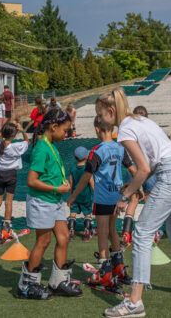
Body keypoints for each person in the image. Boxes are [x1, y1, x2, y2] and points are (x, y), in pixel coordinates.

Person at [96, 88, 171, 318]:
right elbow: (149, 165)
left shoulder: (125, 129)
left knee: (142, 233)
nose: (99, 120)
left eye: (100, 115)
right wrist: (133, 188)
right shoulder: (139, 120)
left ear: (111, 111)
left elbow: (145, 168)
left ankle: (134, 303)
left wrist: (125, 195)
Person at [17, 108, 82, 300]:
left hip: (55, 201)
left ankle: (58, 281)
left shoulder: (51, 145)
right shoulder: (41, 148)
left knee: (63, 238)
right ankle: (27, 285)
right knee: (43, 240)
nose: (67, 134)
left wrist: (62, 185)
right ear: (53, 127)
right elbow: (31, 181)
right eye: (65, 130)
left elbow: (51, 174)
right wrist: (56, 189)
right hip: (42, 201)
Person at [67, 116, 131, 289]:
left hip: (103, 198)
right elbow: (133, 170)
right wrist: (130, 189)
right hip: (116, 197)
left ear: (97, 129)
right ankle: (119, 269)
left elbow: (87, 176)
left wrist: (73, 196)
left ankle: (104, 271)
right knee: (113, 231)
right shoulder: (120, 147)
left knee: (102, 233)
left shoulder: (96, 150)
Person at [120, 106, 159, 250]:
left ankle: (126, 233)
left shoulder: (129, 131)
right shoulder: (150, 132)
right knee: (149, 202)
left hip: (131, 169)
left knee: (133, 200)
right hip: (147, 170)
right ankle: (150, 234)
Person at [66, 146, 95, 242]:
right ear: (87, 157)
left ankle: (70, 233)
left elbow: (71, 182)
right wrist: (96, 192)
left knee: (72, 213)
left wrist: (71, 195)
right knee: (87, 214)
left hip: (75, 196)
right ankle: (87, 233)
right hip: (86, 196)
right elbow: (91, 181)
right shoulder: (88, 168)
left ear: (75, 157)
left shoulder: (73, 168)